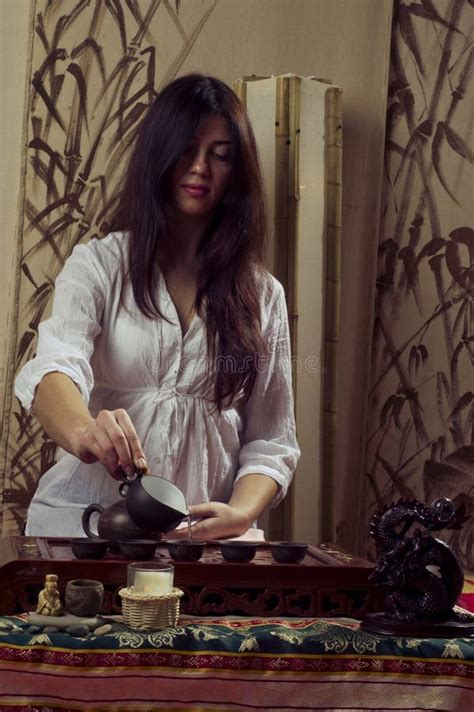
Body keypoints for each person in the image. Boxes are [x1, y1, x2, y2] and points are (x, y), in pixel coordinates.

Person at [15, 73, 300, 541]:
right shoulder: (100, 265)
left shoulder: (262, 295)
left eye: (220, 155)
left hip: (199, 539)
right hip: (85, 525)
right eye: (186, 149)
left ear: (238, 171)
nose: (201, 168)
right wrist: (87, 432)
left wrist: (242, 515)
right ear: (159, 156)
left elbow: (272, 441)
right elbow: (53, 371)